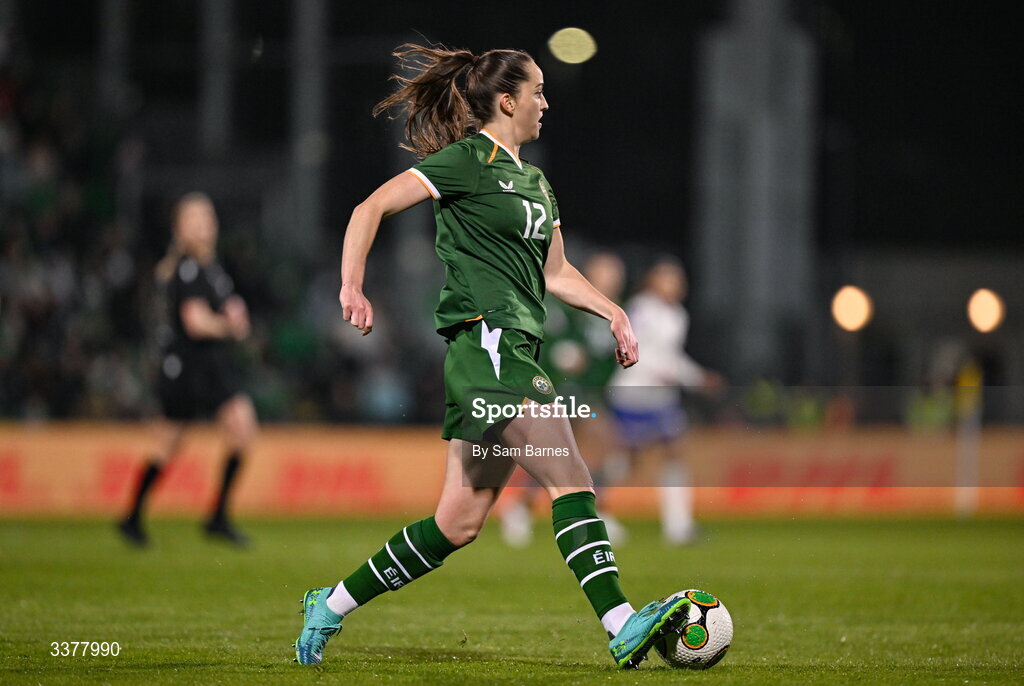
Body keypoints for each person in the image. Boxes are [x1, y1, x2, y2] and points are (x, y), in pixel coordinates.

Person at [293, 44, 692, 669]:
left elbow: (557, 274)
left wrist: (613, 312)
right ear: (507, 100)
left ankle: (331, 604)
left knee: (457, 523)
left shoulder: (536, 182)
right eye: (537, 90)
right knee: (572, 477)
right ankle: (620, 622)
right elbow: (368, 208)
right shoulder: (465, 162)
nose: (545, 101)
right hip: (488, 346)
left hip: (512, 349)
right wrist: (351, 284)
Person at [117, 192, 257, 547]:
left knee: (239, 427)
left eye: (206, 218)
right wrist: (231, 326)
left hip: (205, 364)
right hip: (188, 366)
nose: (203, 225)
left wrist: (232, 317)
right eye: (194, 219)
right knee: (170, 443)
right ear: (179, 229)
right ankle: (138, 517)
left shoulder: (209, 268)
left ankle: (213, 516)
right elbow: (195, 323)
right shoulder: (189, 268)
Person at [499, 250, 629, 547]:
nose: (612, 279)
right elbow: (553, 339)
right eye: (605, 272)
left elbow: (606, 360)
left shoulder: (613, 310)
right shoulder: (573, 303)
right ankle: (531, 508)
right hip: (560, 389)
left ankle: (523, 508)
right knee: (585, 450)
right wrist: (564, 356)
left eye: (615, 274)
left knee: (583, 455)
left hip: (588, 391)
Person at [606, 258, 724, 545]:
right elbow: (638, 349)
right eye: (667, 278)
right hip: (634, 391)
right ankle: (597, 511)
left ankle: (678, 525)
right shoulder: (642, 307)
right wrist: (690, 378)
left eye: (677, 279)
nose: (674, 284)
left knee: (674, 452)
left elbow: (672, 356)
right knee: (628, 457)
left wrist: (696, 376)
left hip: (660, 396)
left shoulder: (677, 314)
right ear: (653, 281)